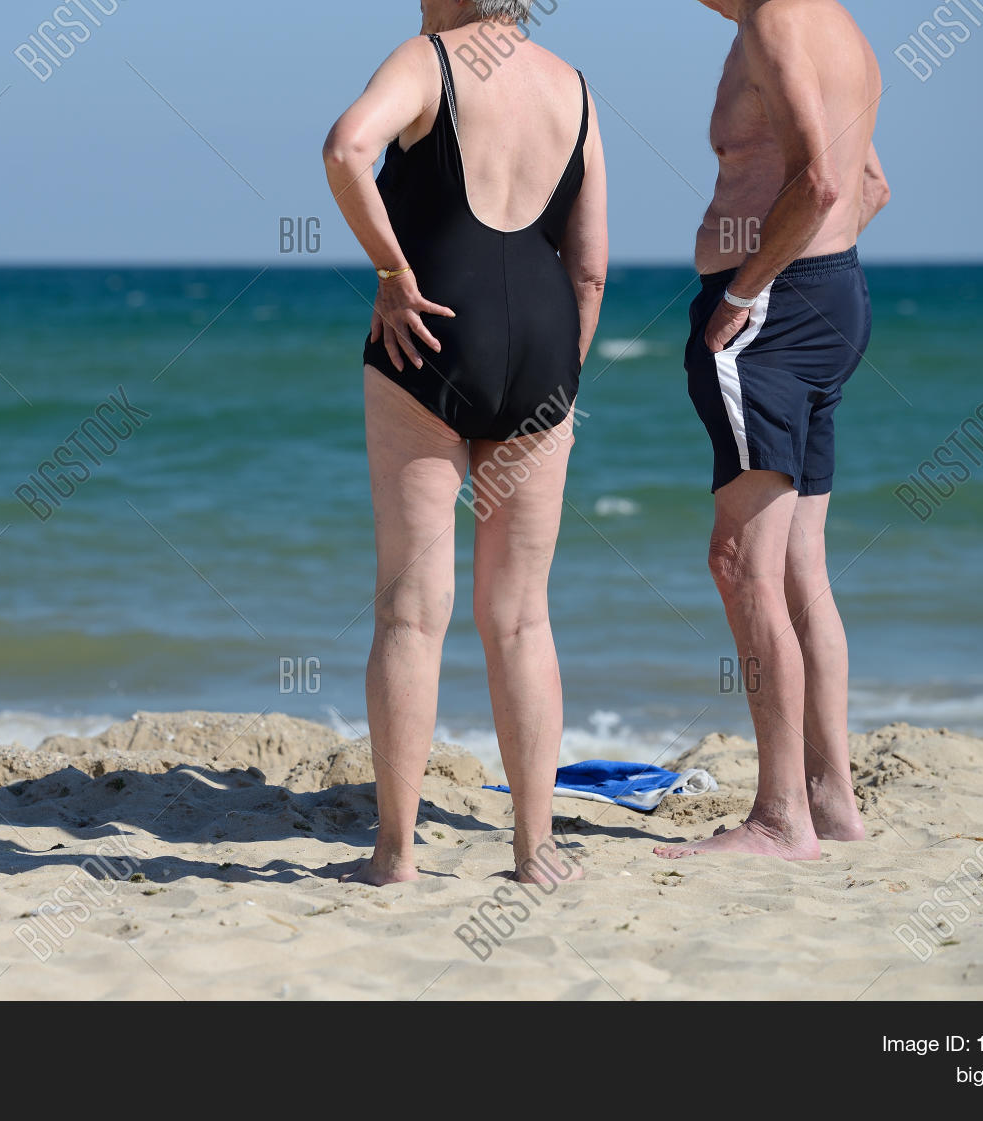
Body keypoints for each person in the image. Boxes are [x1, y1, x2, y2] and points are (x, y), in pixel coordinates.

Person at [323, 0, 608, 885]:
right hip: (543, 355)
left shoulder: (427, 61)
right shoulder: (574, 88)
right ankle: (534, 850)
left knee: (412, 610)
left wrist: (392, 271)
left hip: (431, 336)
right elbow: (590, 265)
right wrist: (558, 383)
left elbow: (344, 152)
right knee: (521, 617)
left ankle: (397, 855)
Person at [660, 0, 890, 860]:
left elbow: (823, 182)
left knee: (739, 563)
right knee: (801, 567)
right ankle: (832, 801)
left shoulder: (775, 21)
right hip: (832, 294)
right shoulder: (842, 28)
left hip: (773, 309)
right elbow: (872, 188)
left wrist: (747, 290)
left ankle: (779, 817)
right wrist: (810, 279)